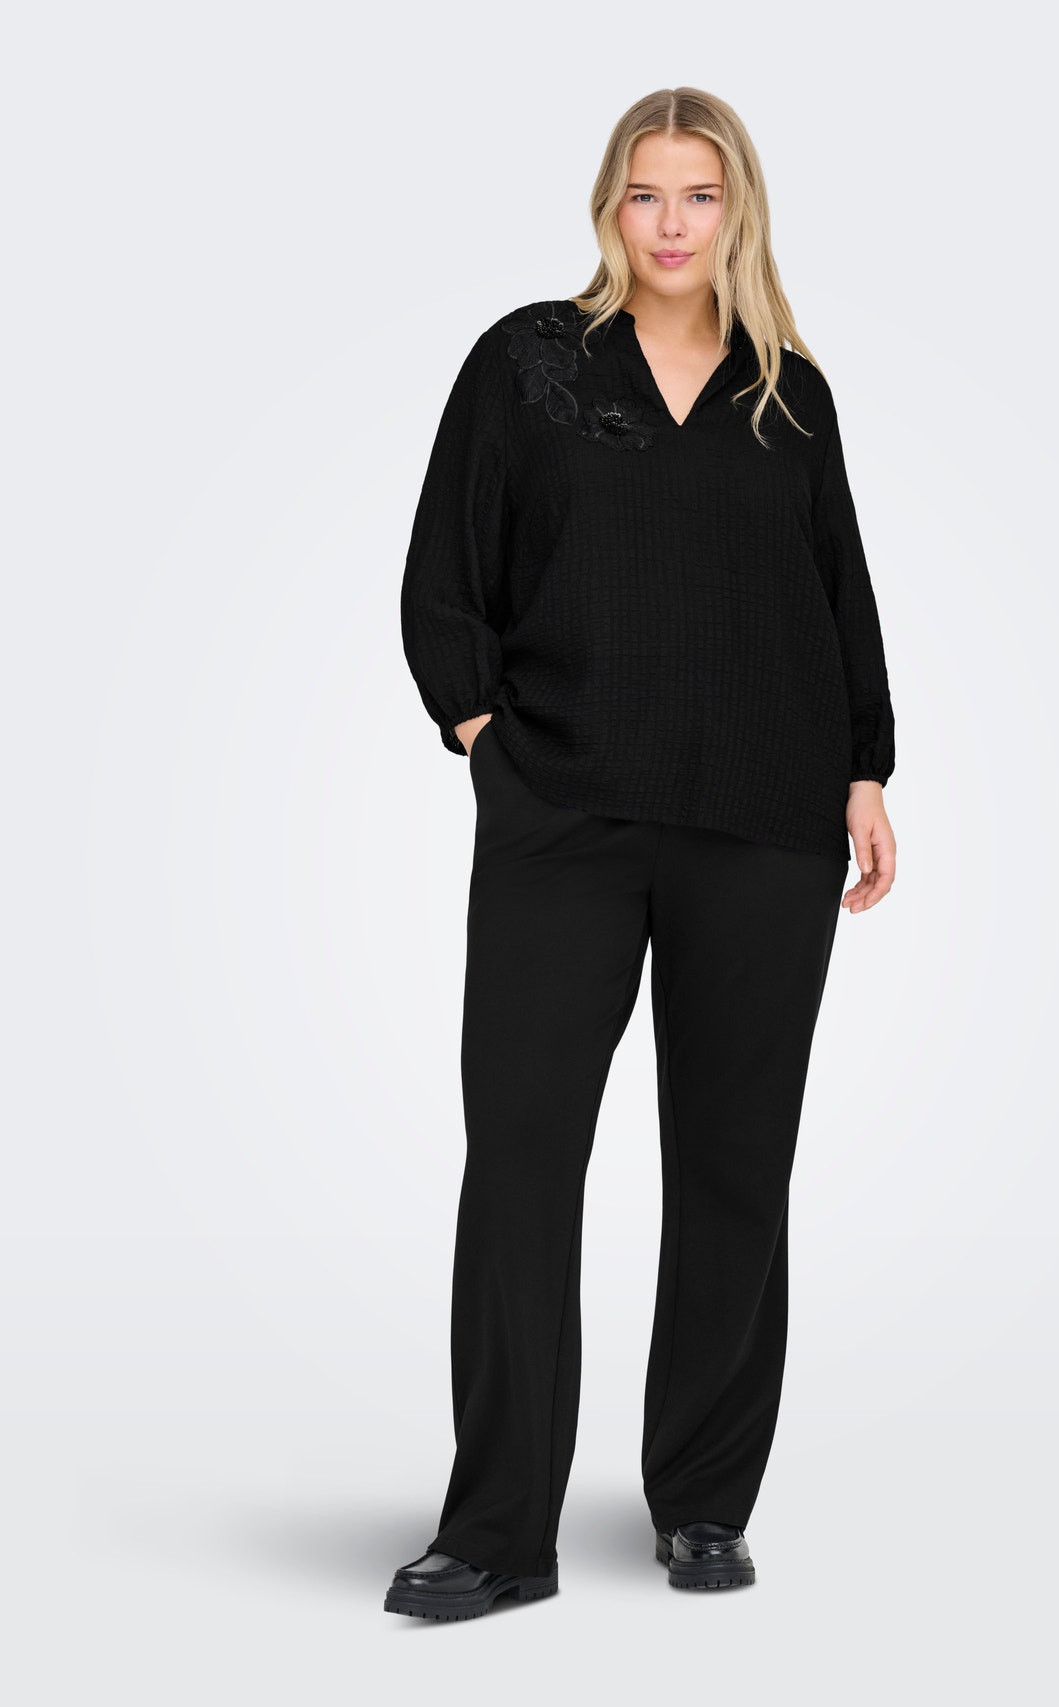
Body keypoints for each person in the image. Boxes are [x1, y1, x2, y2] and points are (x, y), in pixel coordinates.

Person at [385, 85, 897, 1622]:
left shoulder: (788, 392)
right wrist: (484, 732)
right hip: (568, 817)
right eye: (645, 193)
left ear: (739, 212)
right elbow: (442, 570)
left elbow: (839, 590)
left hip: (767, 822)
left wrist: (866, 769)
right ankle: (498, 1532)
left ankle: (705, 1503)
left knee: (735, 1164)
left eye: (701, 195)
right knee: (522, 1160)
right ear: (610, 206)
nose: (672, 224)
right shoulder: (529, 362)